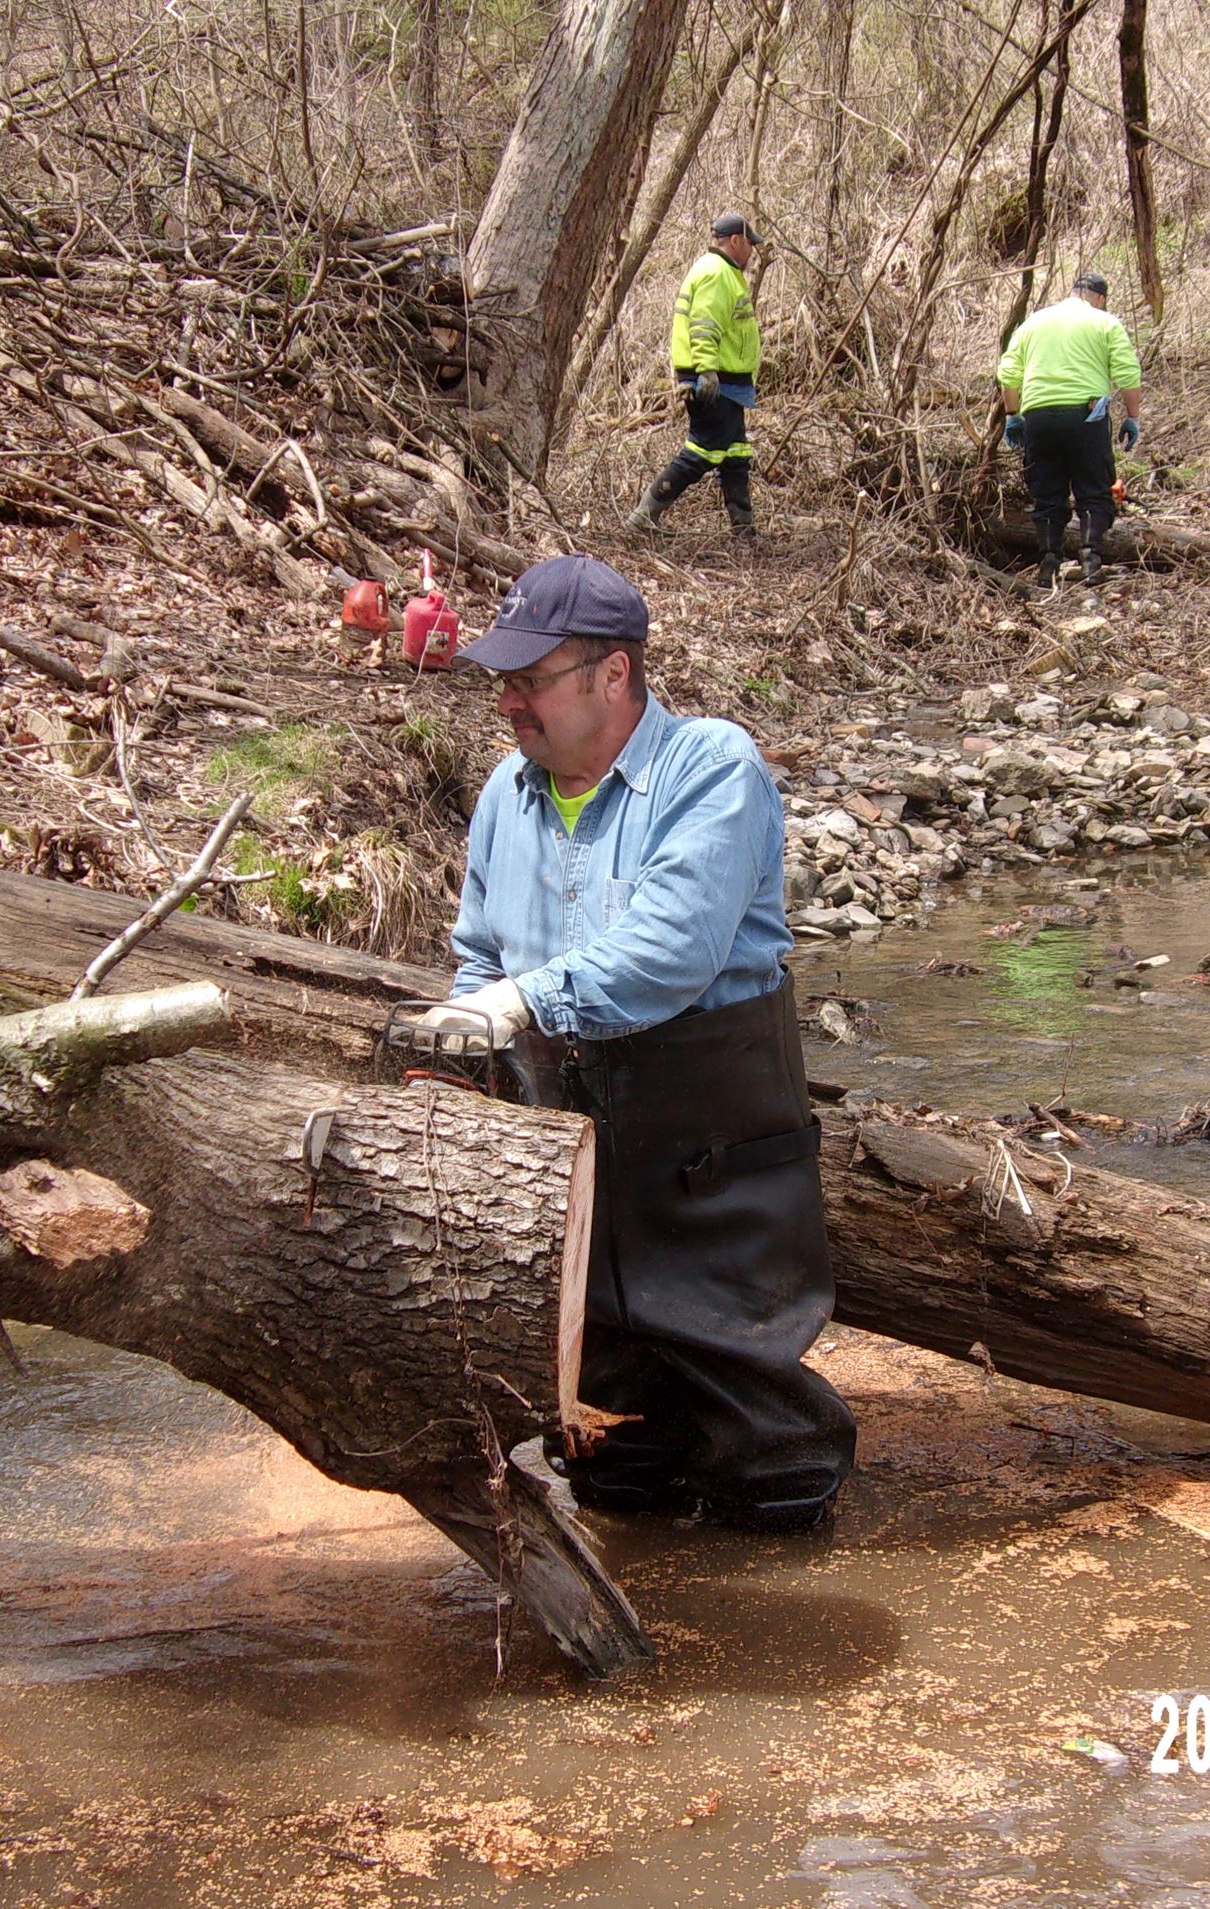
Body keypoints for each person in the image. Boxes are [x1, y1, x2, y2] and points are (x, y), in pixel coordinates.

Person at [408, 553, 855, 1530]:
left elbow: (669, 956)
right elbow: (479, 956)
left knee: (766, 1453)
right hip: (570, 1163)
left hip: (712, 1154)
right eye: (503, 681)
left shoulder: (710, 768)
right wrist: (463, 1047)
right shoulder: (505, 795)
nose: (509, 702)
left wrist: (521, 1001)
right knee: (609, 1456)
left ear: (613, 674)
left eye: (531, 679)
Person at [993, 270, 1143, 586]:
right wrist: (1133, 417)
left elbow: (1008, 373)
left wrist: (1012, 414)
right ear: (1099, 298)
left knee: (1047, 493)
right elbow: (1128, 373)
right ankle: (1090, 563)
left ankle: (1048, 565)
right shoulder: (1105, 322)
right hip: (1086, 416)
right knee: (1094, 490)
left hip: (1039, 416)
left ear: (1073, 291)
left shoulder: (1033, 323)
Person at [626, 213, 765, 540]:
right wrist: (707, 371)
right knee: (701, 453)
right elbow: (704, 326)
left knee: (735, 455)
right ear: (736, 240)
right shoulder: (716, 273)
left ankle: (744, 531)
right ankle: (642, 518)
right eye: (750, 243)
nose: (752, 250)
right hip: (715, 382)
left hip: (728, 384)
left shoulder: (722, 271)